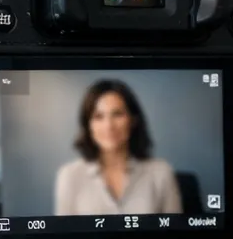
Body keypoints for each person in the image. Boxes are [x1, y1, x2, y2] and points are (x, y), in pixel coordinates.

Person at [53, 79, 183, 216]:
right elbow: (64, 236)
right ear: (88, 125)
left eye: (117, 114)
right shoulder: (69, 176)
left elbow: (175, 236)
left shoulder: (162, 172)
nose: (109, 126)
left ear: (133, 120)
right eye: (98, 116)